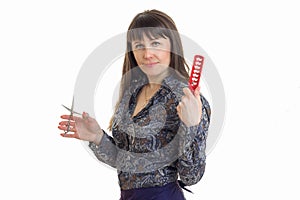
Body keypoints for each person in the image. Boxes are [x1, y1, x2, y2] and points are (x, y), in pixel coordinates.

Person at [58, 9, 211, 200]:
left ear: (173, 47)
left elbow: (192, 176)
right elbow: (124, 161)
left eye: (156, 43)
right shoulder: (133, 93)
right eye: (139, 45)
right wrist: (97, 137)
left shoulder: (188, 101)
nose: (147, 53)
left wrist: (191, 126)